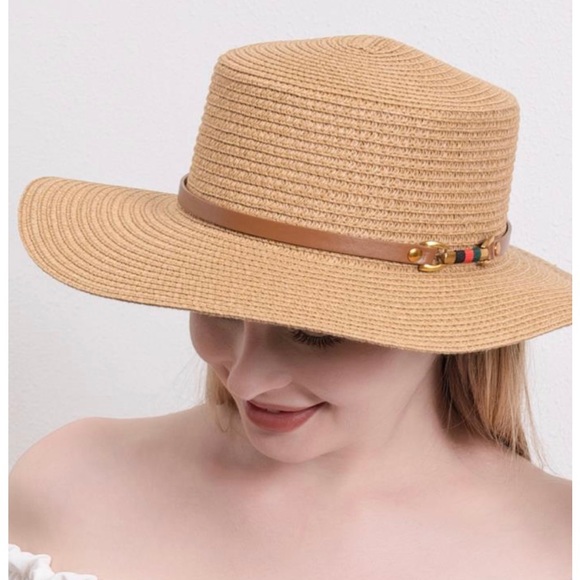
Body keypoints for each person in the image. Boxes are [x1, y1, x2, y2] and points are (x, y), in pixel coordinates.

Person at [9, 34, 571, 580]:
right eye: (219, 307)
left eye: (315, 332)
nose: (246, 379)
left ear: (450, 319)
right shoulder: (65, 481)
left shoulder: (559, 545)